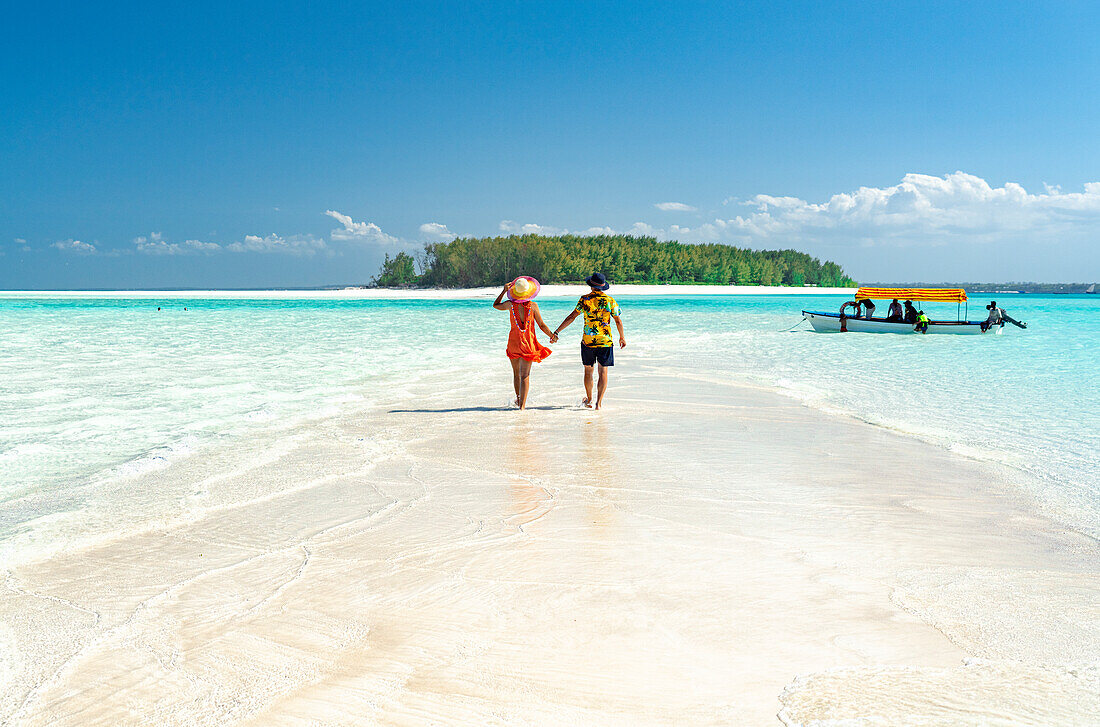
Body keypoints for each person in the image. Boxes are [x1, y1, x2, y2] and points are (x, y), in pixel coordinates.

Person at [552, 272, 625, 410]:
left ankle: (590, 399)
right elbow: (618, 321)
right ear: (603, 287)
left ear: (591, 286)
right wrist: (622, 337)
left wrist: (557, 331)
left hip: (588, 341)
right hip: (605, 341)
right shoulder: (610, 301)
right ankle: (599, 403)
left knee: (588, 371)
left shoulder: (584, 300)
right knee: (603, 372)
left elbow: (572, 317)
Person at [493, 278, 557, 409]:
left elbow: (496, 305)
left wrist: (503, 291)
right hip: (528, 344)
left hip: (513, 343)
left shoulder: (510, 304)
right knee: (525, 375)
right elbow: (542, 325)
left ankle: (518, 400)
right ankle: (522, 406)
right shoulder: (533, 306)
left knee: (516, 374)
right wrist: (552, 335)